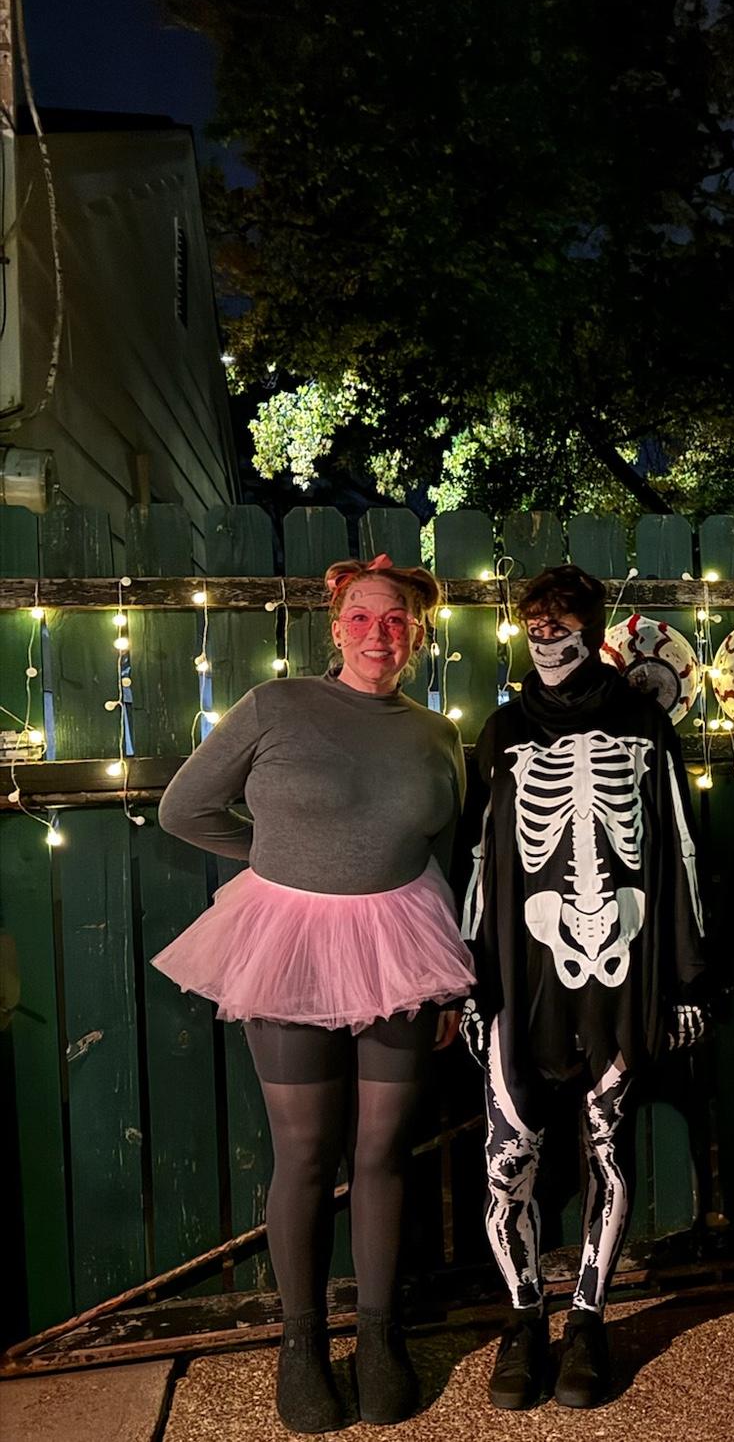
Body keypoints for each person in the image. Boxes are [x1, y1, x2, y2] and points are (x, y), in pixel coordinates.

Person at [153, 553, 475, 1432]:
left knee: (383, 1149)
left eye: (397, 619)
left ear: (418, 635)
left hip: (404, 945)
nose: (379, 633)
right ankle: (300, 1346)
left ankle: (378, 1339)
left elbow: (443, 851)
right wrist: (278, 861)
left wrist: (453, 982)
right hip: (289, 942)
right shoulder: (276, 705)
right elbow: (185, 809)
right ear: (336, 628)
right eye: (363, 617)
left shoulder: (435, 734)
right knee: (303, 1151)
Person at [458, 563, 708, 1411]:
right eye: (534, 624)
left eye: (561, 624)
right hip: (522, 971)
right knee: (508, 1157)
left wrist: (687, 980)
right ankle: (525, 1317)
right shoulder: (502, 729)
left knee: (607, 1142)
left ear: (592, 630)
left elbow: (680, 847)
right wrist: (470, 981)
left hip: (623, 967)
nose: (546, 638)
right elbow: (479, 858)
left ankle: (589, 1320)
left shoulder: (643, 722)